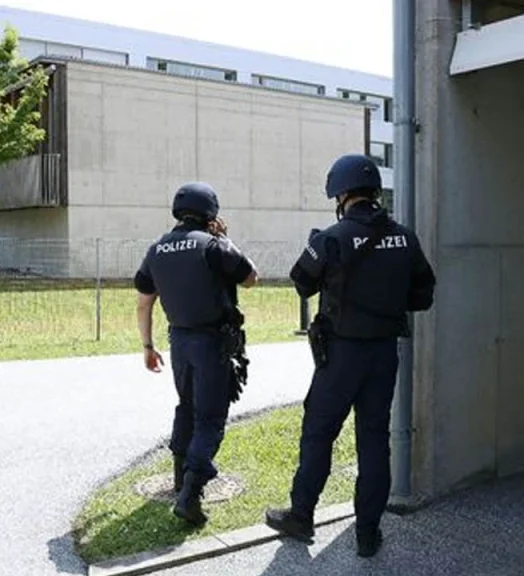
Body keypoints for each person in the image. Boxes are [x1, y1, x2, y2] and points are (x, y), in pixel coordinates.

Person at [264, 154, 436, 558]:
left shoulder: (331, 238)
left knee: (319, 433)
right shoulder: (405, 238)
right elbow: (423, 297)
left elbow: (302, 283)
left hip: (340, 357)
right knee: (374, 441)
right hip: (383, 354)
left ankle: (301, 515)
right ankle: (367, 533)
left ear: (341, 195)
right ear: (374, 192)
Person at [134, 182, 259, 527]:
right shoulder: (214, 246)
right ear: (210, 213)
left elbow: (144, 303)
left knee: (186, 407)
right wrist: (226, 239)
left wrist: (147, 346)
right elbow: (251, 278)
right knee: (210, 419)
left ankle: (179, 476)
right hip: (212, 344)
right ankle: (190, 494)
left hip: (179, 342)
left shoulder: (157, 249)